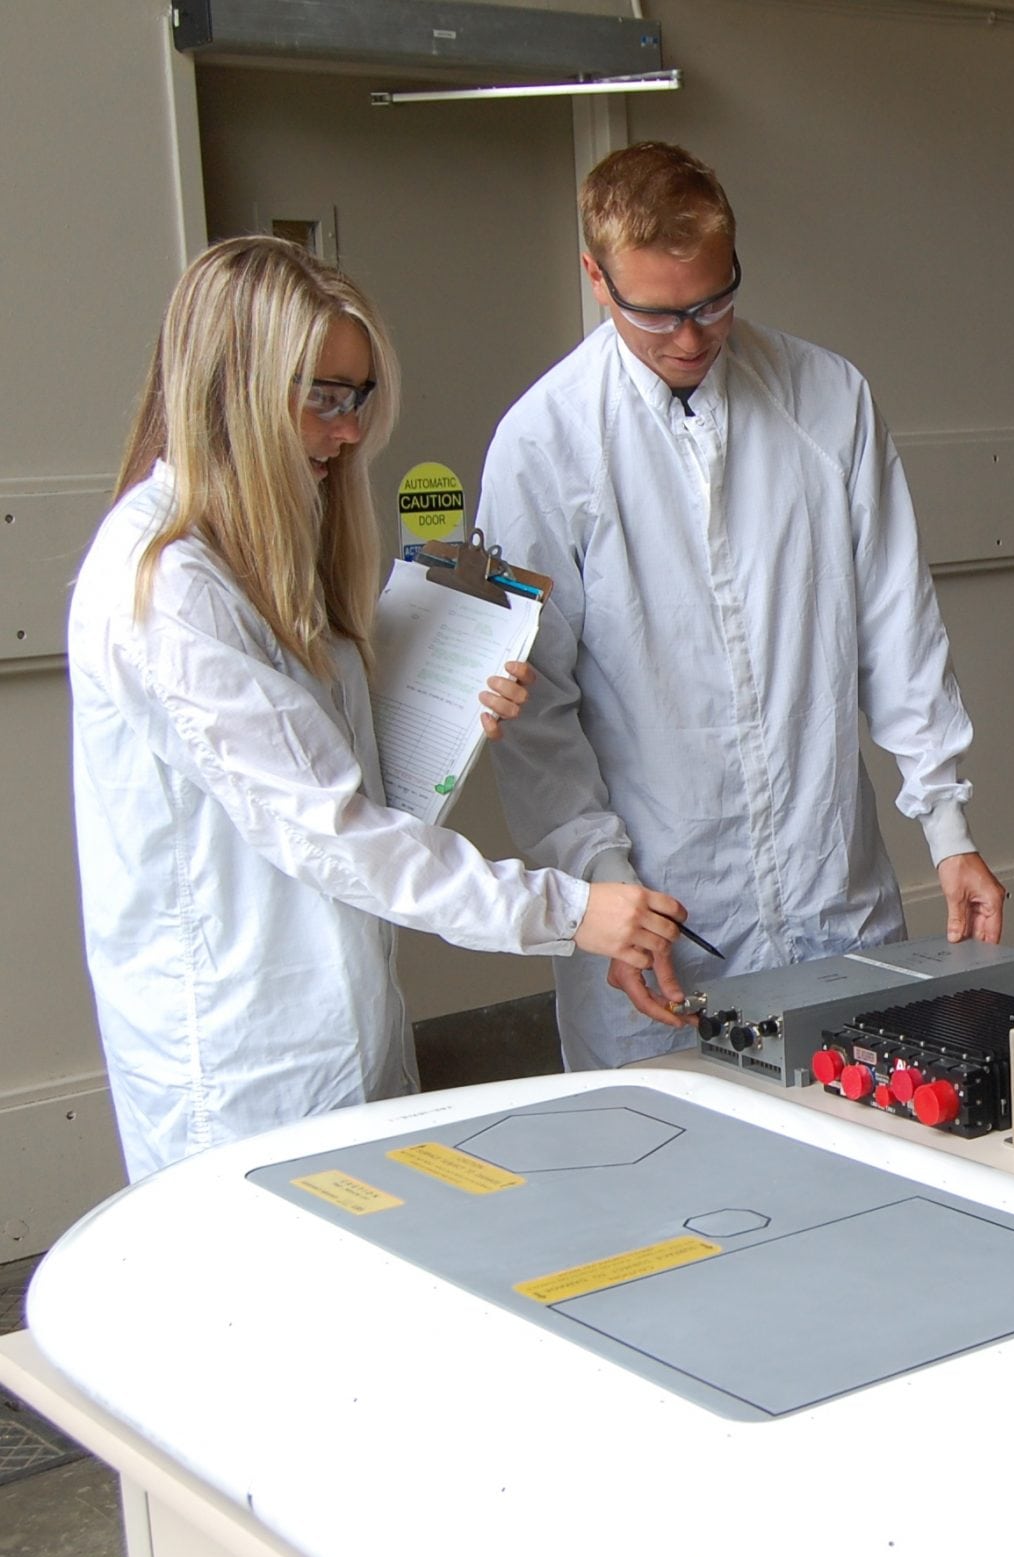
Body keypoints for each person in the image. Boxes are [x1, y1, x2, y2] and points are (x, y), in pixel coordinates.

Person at [70, 236, 691, 1179]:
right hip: (243, 1071)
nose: (350, 430)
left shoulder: (266, 557)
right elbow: (331, 830)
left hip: (339, 1026)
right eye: (324, 396)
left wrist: (437, 707)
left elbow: (338, 782)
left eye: (358, 397)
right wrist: (568, 911)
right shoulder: (169, 588)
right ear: (231, 389)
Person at [478, 141, 1007, 1072]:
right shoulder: (544, 443)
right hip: (663, 931)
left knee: (864, 1168)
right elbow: (539, 716)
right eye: (657, 314)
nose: (689, 338)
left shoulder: (827, 398)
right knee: (669, 1195)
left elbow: (899, 623)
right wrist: (605, 884)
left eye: (714, 302)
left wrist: (950, 830)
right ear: (595, 278)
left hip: (836, 898)